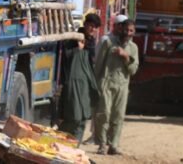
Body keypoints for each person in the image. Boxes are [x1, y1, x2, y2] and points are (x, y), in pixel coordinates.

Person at [93, 15, 139, 156]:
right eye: (126, 30)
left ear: (134, 32)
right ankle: (102, 145)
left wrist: (126, 57)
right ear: (120, 29)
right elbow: (98, 65)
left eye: (131, 31)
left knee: (118, 116)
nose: (128, 33)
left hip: (122, 85)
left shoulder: (133, 48)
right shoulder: (108, 43)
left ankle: (114, 145)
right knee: (103, 114)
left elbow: (133, 70)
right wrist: (94, 84)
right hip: (106, 83)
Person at [57, 34, 99, 143]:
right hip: (73, 89)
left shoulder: (89, 50)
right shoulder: (72, 50)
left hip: (85, 90)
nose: (93, 29)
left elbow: (93, 59)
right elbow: (66, 57)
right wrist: (78, 49)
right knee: (74, 118)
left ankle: (74, 147)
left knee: (81, 121)